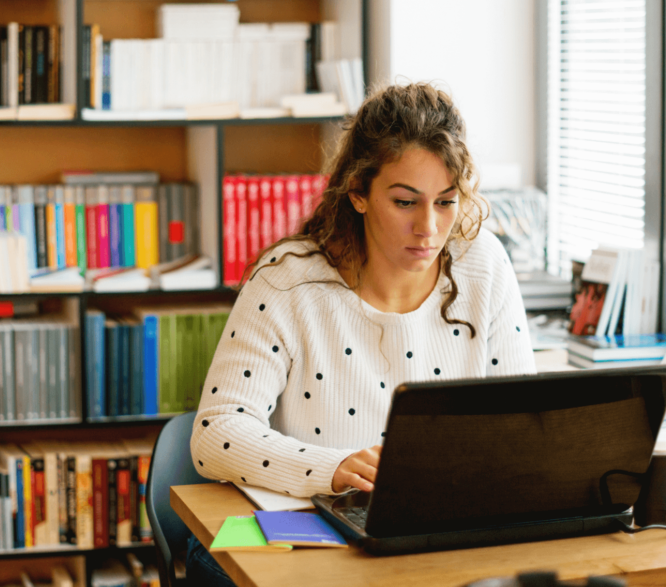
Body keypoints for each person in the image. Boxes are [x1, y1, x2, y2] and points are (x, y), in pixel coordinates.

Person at [185, 82, 536, 584]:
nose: (429, 229)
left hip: (436, 535)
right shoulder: (290, 280)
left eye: (445, 201)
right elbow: (215, 433)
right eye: (405, 202)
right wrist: (333, 468)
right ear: (358, 193)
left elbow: (523, 423)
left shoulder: (485, 265)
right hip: (312, 534)